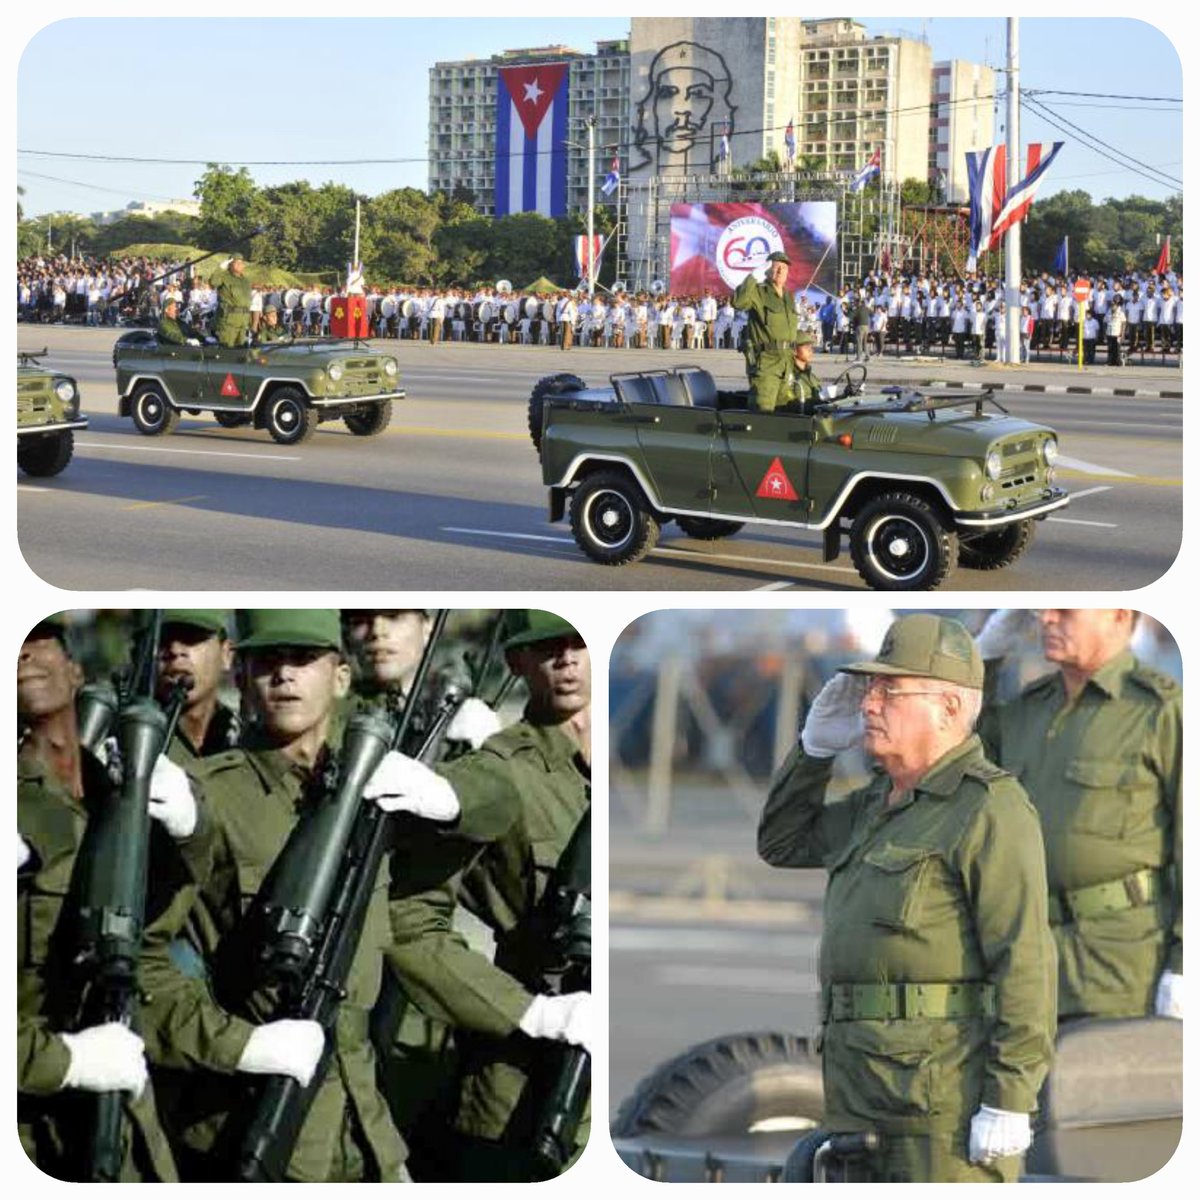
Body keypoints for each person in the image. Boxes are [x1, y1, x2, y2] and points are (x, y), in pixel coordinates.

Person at [759, 614, 1055, 1183]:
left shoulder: (989, 807)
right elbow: (781, 841)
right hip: (857, 1093)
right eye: (870, 688)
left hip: (940, 1110)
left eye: (889, 690)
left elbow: (1024, 961)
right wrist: (814, 750)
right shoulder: (880, 804)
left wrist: (1010, 1098)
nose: (868, 704)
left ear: (947, 707)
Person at [383, 610, 592, 1181]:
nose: (568, 659)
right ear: (517, 662)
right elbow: (407, 921)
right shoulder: (503, 765)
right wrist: (531, 1012)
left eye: (579, 643)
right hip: (525, 1088)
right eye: (549, 647)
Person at [18, 616, 207, 1181]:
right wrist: (70, 1062)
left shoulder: (118, 786)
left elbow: (189, 891)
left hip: (127, 1077)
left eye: (37, 641)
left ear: (75, 670)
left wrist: (190, 821)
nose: (23, 656)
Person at [978, 609, 1181, 1022]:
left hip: (1122, 968)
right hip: (1025, 965)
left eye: (1066, 611)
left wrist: (1183, 969)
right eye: (1045, 610)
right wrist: (983, 658)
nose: (1047, 618)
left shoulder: (1161, 711)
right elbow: (950, 744)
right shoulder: (1026, 712)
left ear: (1120, 616)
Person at [155, 609, 238, 764]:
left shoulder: (244, 738)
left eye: (190, 637)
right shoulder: (118, 741)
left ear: (226, 655)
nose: (175, 650)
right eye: (161, 639)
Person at [732, 250, 799, 413]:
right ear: (767, 270)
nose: (780, 271)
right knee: (763, 413)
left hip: (786, 363)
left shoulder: (788, 296)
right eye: (776, 267)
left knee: (784, 412)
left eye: (784, 267)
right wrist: (753, 276)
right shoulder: (759, 292)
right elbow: (738, 302)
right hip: (766, 363)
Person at [211, 253, 252, 349]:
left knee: (241, 351)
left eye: (241, 263)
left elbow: (246, 301)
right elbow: (213, 282)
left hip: (243, 321)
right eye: (236, 262)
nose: (239, 265)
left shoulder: (245, 281)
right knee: (227, 351)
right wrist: (220, 268)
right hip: (228, 322)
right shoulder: (224, 277)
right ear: (230, 264)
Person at [783, 333, 823, 413]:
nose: (810, 350)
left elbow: (822, 397)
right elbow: (789, 403)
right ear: (794, 350)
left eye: (811, 347)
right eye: (806, 347)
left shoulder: (811, 376)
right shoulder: (788, 376)